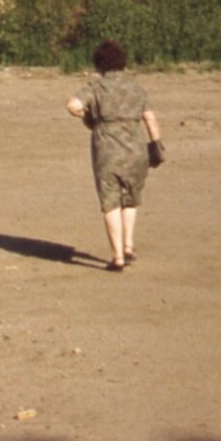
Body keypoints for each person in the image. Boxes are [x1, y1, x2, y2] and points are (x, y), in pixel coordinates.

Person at [65, 39, 164, 272]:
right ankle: (128, 245)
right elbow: (150, 118)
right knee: (130, 198)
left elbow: (72, 104)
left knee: (110, 202)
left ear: (99, 64)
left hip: (107, 149)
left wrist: (87, 117)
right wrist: (156, 144)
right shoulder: (137, 88)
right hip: (136, 147)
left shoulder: (95, 88)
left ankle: (117, 256)